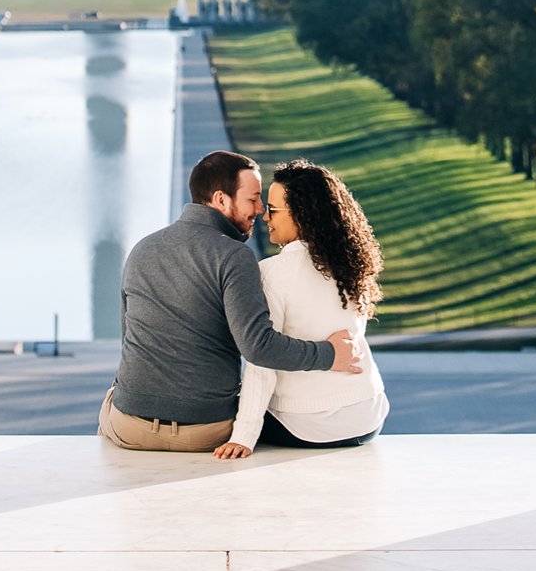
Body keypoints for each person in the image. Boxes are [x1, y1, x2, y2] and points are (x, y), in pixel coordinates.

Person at [97, 149, 362, 452]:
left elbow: (129, 338)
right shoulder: (235, 257)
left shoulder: (141, 249)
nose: (260, 210)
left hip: (129, 426)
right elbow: (258, 347)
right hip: (207, 431)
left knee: (111, 403)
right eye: (252, 199)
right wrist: (329, 355)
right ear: (221, 200)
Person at [215, 162, 388, 457]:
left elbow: (263, 359)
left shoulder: (272, 273)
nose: (265, 216)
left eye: (274, 210)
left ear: (302, 214)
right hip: (368, 416)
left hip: (306, 426)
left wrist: (243, 436)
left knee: (214, 410)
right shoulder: (352, 264)